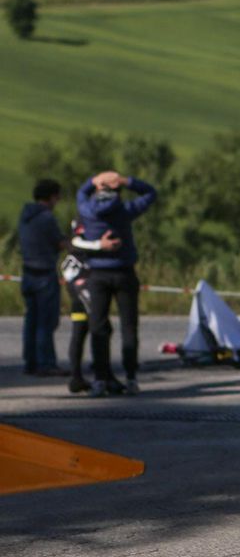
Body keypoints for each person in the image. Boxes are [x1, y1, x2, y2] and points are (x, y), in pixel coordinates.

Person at [77, 170, 157, 397]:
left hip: (98, 274)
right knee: (129, 326)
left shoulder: (87, 211)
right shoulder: (124, 211)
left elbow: (81, 193)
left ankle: (100, 378)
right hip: (124, 272)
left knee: (98, 327)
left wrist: (94, 181)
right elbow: (150, 193)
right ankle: (131, 377)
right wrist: (125, 180)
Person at [60, 220, 122, 393]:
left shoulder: (73, 256)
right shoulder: (80, 252)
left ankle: (78, 377)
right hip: (84, 296)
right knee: (101, 330)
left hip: (78, 299)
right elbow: (76, 243)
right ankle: (103, 376)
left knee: (79, 334)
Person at [18, 179, 68, 377]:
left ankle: (30, 361)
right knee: (46, 322)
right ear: (52, 196)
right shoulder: (47, 218)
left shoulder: (26, 216)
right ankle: (45, 362)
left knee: (31, 320)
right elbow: (60, 242)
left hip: (28, 273)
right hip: (44, 274)